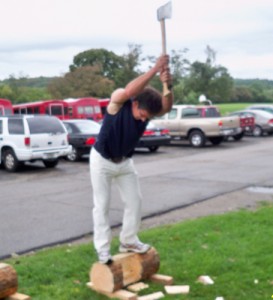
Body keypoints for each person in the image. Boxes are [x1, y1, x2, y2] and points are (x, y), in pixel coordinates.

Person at [90, 55, 173, 264]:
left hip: (125, 162)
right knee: (102, 206)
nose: (144, 120)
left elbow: (167, 106)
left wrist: (167, 84)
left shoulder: (147, 112)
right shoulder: (118, 103)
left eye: (148, 117)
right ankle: (102, 250)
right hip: (102, 161)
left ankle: (128, 240)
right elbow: (127, 91)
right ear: (135, 104)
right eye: (143, 114)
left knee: (135, 201)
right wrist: (155, 69)